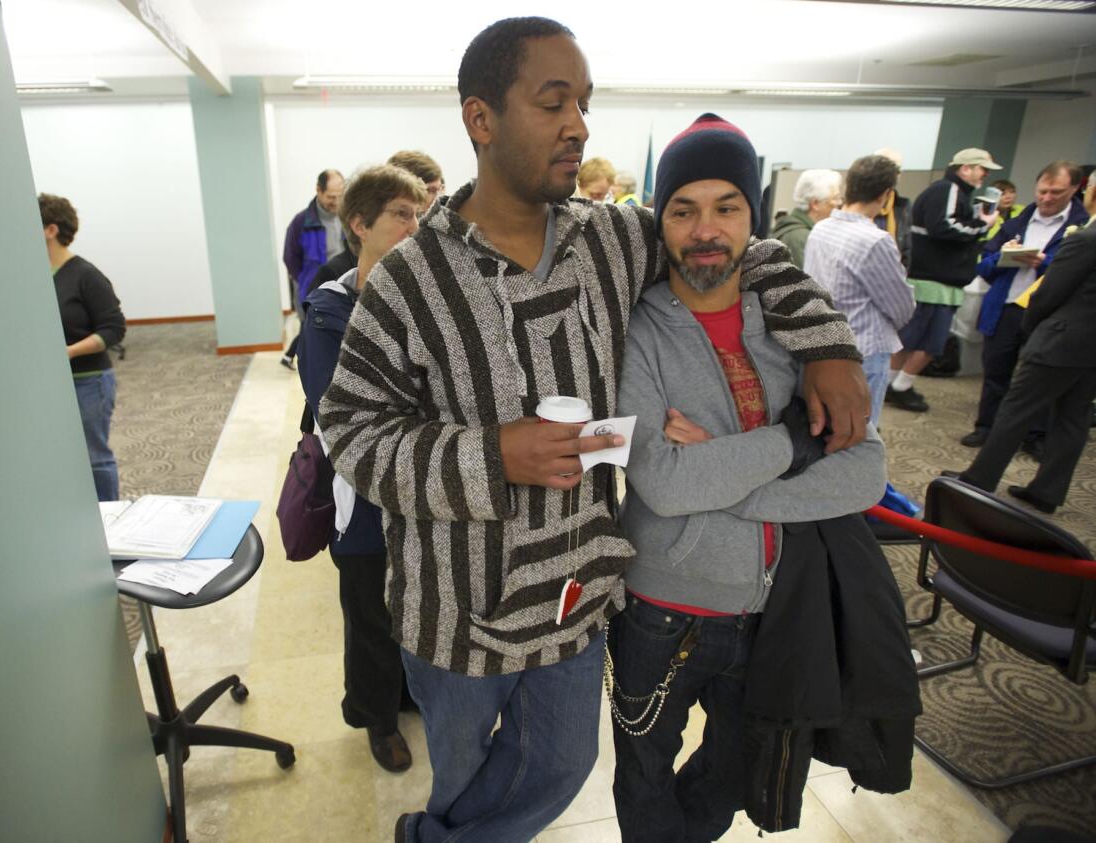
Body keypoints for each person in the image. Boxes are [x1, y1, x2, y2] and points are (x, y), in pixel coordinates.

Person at [317, 18, 868, 843]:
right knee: (465, 781)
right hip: (456, 605)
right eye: (554, 102)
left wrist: (826, 344)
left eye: (584, 102)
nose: (579, 123)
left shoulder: (611, 239)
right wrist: (494, 452)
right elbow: (351, 431)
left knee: (566, 764)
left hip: (577, 587)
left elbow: (727, 247)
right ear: (481, 119)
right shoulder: (409, 279)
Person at [611, 122, 888, 841]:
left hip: (774, 608)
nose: (706, 229)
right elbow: (664, 486)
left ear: (753, 221)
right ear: (660, 222)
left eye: (727, 206)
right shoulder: (637, 331)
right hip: (662, 612)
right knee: (644, 774)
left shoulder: (801, 329)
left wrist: (726, 474)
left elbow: (864, 471)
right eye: (684, 209)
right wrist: (795, 441)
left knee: (734, 769)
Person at [298, 165, 427, 773]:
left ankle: (411, 695)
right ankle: (377, 717)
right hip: (366, 493)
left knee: (423, 600)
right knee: (372, 611)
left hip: (427, 486)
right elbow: (337, 412)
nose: (417, 226)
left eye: (421, 214)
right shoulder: (328, 308)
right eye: (403, 214)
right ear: (359, 224)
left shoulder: (432, 301)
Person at [954, 218, 1096, 514]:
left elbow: (1048, 293)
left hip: (1060, 340)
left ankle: (978, 480)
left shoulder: (1084, 239)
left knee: (1016, 409)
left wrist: (1031, 327)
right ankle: (1047, 491)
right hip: (1089, 348)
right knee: (1073, 418)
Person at [961, 161, 1089, 454]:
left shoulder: (1080, 226)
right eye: (1042, 191)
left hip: (1048, 313)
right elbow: (983, 264)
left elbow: (1081, 274)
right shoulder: (1016, 222)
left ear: (1073, 189)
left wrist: (1043, 262)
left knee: (1041, 378)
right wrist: (1005, 255)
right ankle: (986, 427)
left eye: (1056, 192)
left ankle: (1035, 435)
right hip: (1006, 306)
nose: (1046, 198)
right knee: (996, 370)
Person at [885, 148, 1000, 413]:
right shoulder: (947, 190)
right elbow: (944, 226)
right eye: (981, 168)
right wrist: (983, 224)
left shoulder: (952, 192)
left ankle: (895, 385)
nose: (984, 175)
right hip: (934, 280)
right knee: (927, 343)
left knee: (913, 340)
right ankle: (899, 386)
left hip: (937, 280)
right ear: (965, 168)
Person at [805, 155, 915, 425]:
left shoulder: (820, 229)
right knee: (858, 432)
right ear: (886, 194)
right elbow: (901, 306)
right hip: (864, 349)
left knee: (827, 427)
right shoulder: (875, 240)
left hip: (823, 345)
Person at [40, 193, 126, 502]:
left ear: (51, 230)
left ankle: (110, 520)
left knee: (94, 457)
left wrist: (70, 351)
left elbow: (114, 328)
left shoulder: (85, 275)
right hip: (50, 384)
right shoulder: (33, 276)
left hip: (89, 381)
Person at [280, 169, 347, 371]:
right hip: (310, 289)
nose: (335, 202)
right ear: (318, 190)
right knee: (312, 334)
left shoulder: (347, 217)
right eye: (330, 197)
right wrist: (305, 278)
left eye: (339, 196)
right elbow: (290, 257)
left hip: (342, 288)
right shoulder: (301, 222)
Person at [770, 168, 842, 268]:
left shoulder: (796, 232)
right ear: (815, 204)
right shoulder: (800, 239)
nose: (839, 203)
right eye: (835, 198)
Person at [872, 148, 913, 269]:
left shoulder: (903, 205)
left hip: (892, 274)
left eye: (898, 171)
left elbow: (906, 248)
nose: (895, 175)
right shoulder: (859, 204)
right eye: (889, 169)